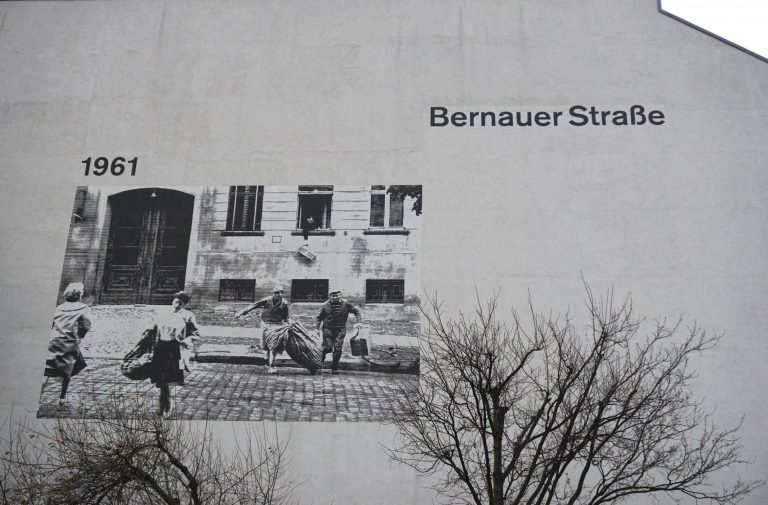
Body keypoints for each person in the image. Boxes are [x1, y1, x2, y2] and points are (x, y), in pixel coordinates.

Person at [150, 291, 199, 417]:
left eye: (181, 304)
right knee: (161, 380)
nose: (177, 305)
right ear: (173, 301)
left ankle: (165, 404)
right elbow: (153, 330)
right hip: (159, 347)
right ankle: (164, 402)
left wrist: (185, 341)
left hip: (174, 349)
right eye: (176, 302)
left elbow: (195, 334)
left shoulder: (187, 316)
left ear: (184, 305)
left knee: (166, 379)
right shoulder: (162, 313)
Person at [45, 282, 91, 406]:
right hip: (70, 342)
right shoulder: (83, 308)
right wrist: (80, 336)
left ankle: (41, 390)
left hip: (54, 341)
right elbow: (85, 326)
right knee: (67, 371)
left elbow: (51, 323)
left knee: (49, 368)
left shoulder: (59, 308)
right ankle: (62, 398)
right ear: (80, 295)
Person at [234, 288, 289, 373]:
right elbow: (254, 305)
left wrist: (287, 324)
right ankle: (268, 361)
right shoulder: (267, 300)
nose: (279, 295)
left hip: (277, 326)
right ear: (273, 293)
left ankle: (272, 366)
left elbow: (286, 316)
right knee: (265, 344)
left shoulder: (284, 303)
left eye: (281, 293)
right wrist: (241, 313)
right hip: (265, 324)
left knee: (274, 346)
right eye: (277, 293)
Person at [316, 290, 362, 374]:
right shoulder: (325, 305)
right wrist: (316, 328)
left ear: (340, 295)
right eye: (333, 296)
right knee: (327, 348)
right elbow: (319, 317)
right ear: (330, 296)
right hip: (328, 329)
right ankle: (318, 361)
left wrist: (358, 322)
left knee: (337, 349)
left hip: (340, 330)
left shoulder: (346, 304)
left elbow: (357, 311)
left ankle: (334, 367)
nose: (335, 298)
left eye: (337, 296)